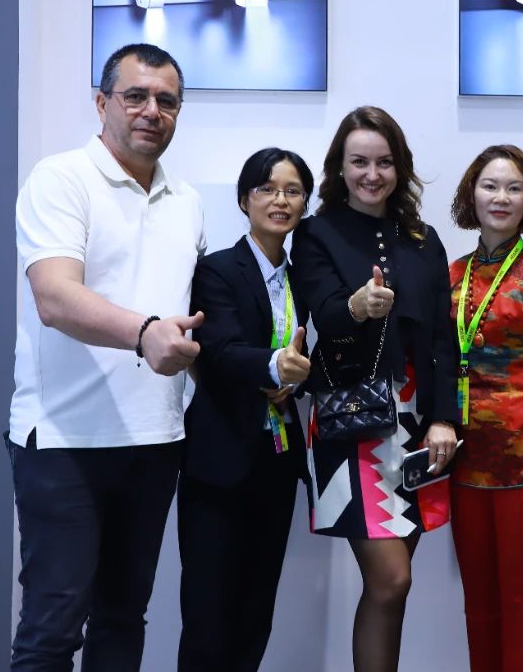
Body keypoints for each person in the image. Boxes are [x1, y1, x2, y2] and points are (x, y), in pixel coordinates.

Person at [8, 43, 206, 671]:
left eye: (167, 101)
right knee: (52, 627)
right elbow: (54, 298)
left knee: (122, 618)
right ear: (102, 103)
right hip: (64, 440)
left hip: (155, 439)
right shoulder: (61, 178)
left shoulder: (188, 201)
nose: (152, 111)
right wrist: (145, 332)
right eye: (135, 96)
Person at [290, 106, 459, 672]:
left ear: (400, 168)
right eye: (359, 161)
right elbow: (324, 313)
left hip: (417, 425)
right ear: (339, 167)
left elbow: (444, 339)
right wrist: (357, 307)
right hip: (352, 422)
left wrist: (443, 418)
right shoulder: (315, 233)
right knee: (391, 579)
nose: (372, 174)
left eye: (384, 163)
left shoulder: (424, 238)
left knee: (392, 591)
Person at [178, 148, 315, 671]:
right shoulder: (216, 270)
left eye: (293, 191)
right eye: (267, 189)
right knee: (208, 616)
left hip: (276, 464)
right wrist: (277, 366)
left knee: (256, 613)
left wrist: (296, 378)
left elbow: (310, 354)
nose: (281, 200)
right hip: (218, 462)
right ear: (244, 200)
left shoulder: (303, 279)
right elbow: (220, 349)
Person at [446, 145, 523, 672]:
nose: (501, 197)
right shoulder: (452, 274)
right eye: (490, 186)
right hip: (465, 460)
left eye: (514, 188)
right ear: (471, 195)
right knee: (481, 607)